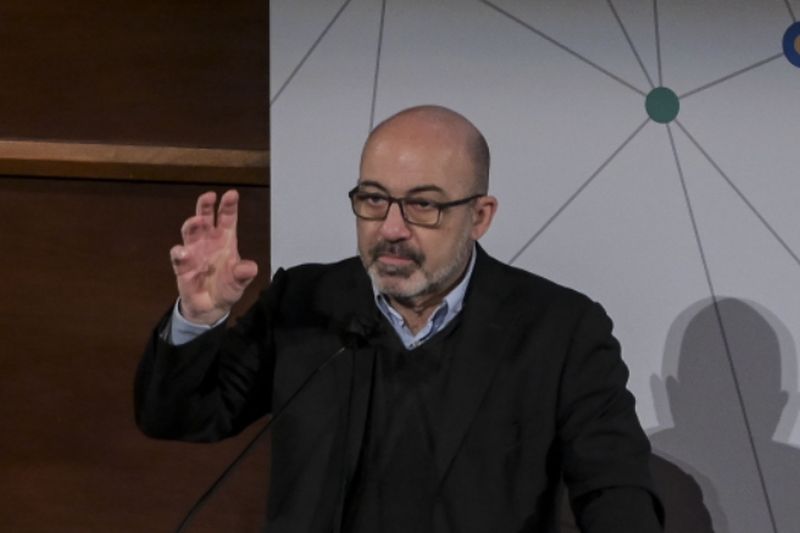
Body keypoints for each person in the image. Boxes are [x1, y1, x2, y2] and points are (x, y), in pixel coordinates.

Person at [135, 105, 664, 532]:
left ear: (479, 216)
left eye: (423, 206)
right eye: (374, 199)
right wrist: (199, 318)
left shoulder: (559, 329)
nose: (391, 228)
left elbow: (615, 490)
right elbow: (179, 416)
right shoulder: (306, 300)